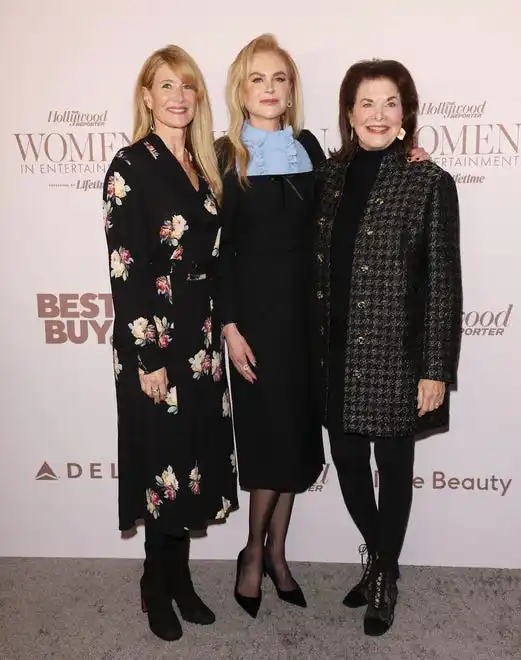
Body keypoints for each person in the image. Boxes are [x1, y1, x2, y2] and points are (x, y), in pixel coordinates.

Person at [313, 59, 462, 636]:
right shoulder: (327, 175)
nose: (378, 114)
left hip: (398, 356)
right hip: (334, 351)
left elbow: (443, 284)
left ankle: (382, 578)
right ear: (349, 113)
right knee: (348, 461)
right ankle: (381, 559)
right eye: (365, 103)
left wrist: (435, 370)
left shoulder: (429, 181)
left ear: (407, 113)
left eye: (390, 102)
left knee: (394, 465)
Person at [102, 45, 237, 641]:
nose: (178, 96)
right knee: (163, 464)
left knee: (192, 460)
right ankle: (155, 587)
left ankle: (179, 580)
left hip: (201, 335)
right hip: (155, 335)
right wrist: (148, 358)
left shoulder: (206, 164)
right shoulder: (130, 166)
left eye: (187, 86)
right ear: (147, 96)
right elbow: (125, 269)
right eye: (165, 86)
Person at [215, 34, 326, 617]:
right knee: (269, 445)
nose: (269, 88)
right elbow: (220, 251)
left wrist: (408, 155)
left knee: (297, 445)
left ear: (290, 89)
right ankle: (251, 557)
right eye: (257, 78)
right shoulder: (225, 153)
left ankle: (278, 553)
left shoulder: (309, 147)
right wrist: (229, 326)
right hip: (253, 327)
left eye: (279, 78)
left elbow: (340, 209)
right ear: (241, 88)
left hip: (306, 324)